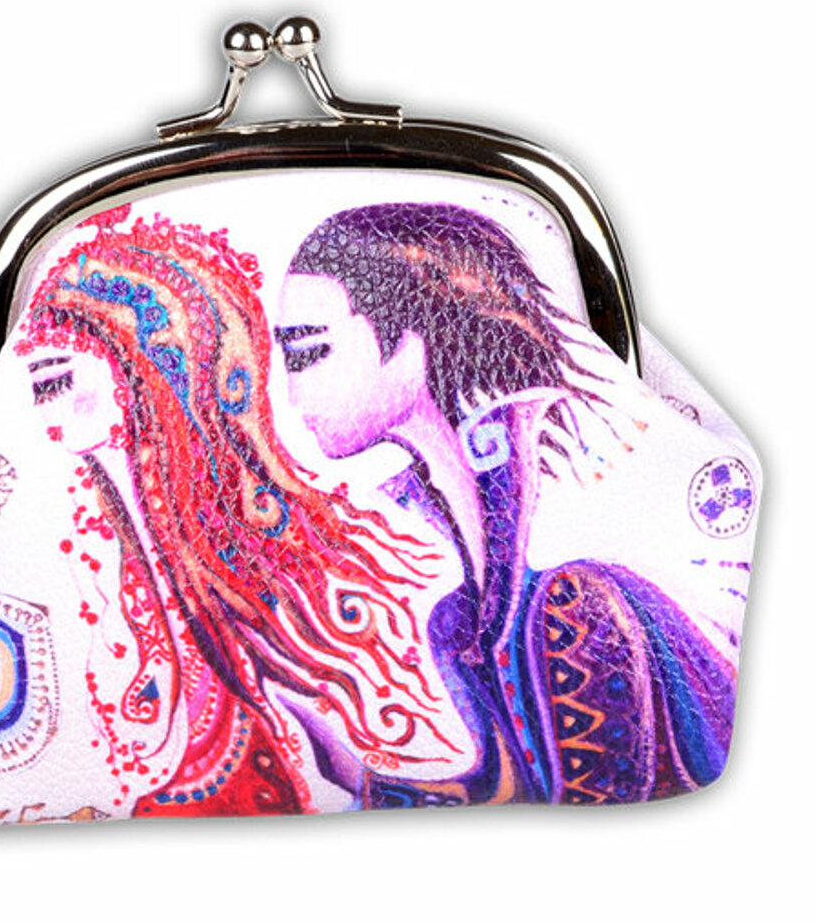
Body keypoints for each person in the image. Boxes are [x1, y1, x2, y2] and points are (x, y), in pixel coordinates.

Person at [16, 207, 471, 817]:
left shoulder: (256, 605)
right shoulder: (129, 581)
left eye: (52, 383)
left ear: (143, 366)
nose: (43, 415)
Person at [277, 202, 736, 805]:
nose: (292, 395)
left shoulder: (573, 608)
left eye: (308, 353)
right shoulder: (460, 621)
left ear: (412, 342)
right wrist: (350, 774)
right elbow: (510, 792)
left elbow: (597, 808)